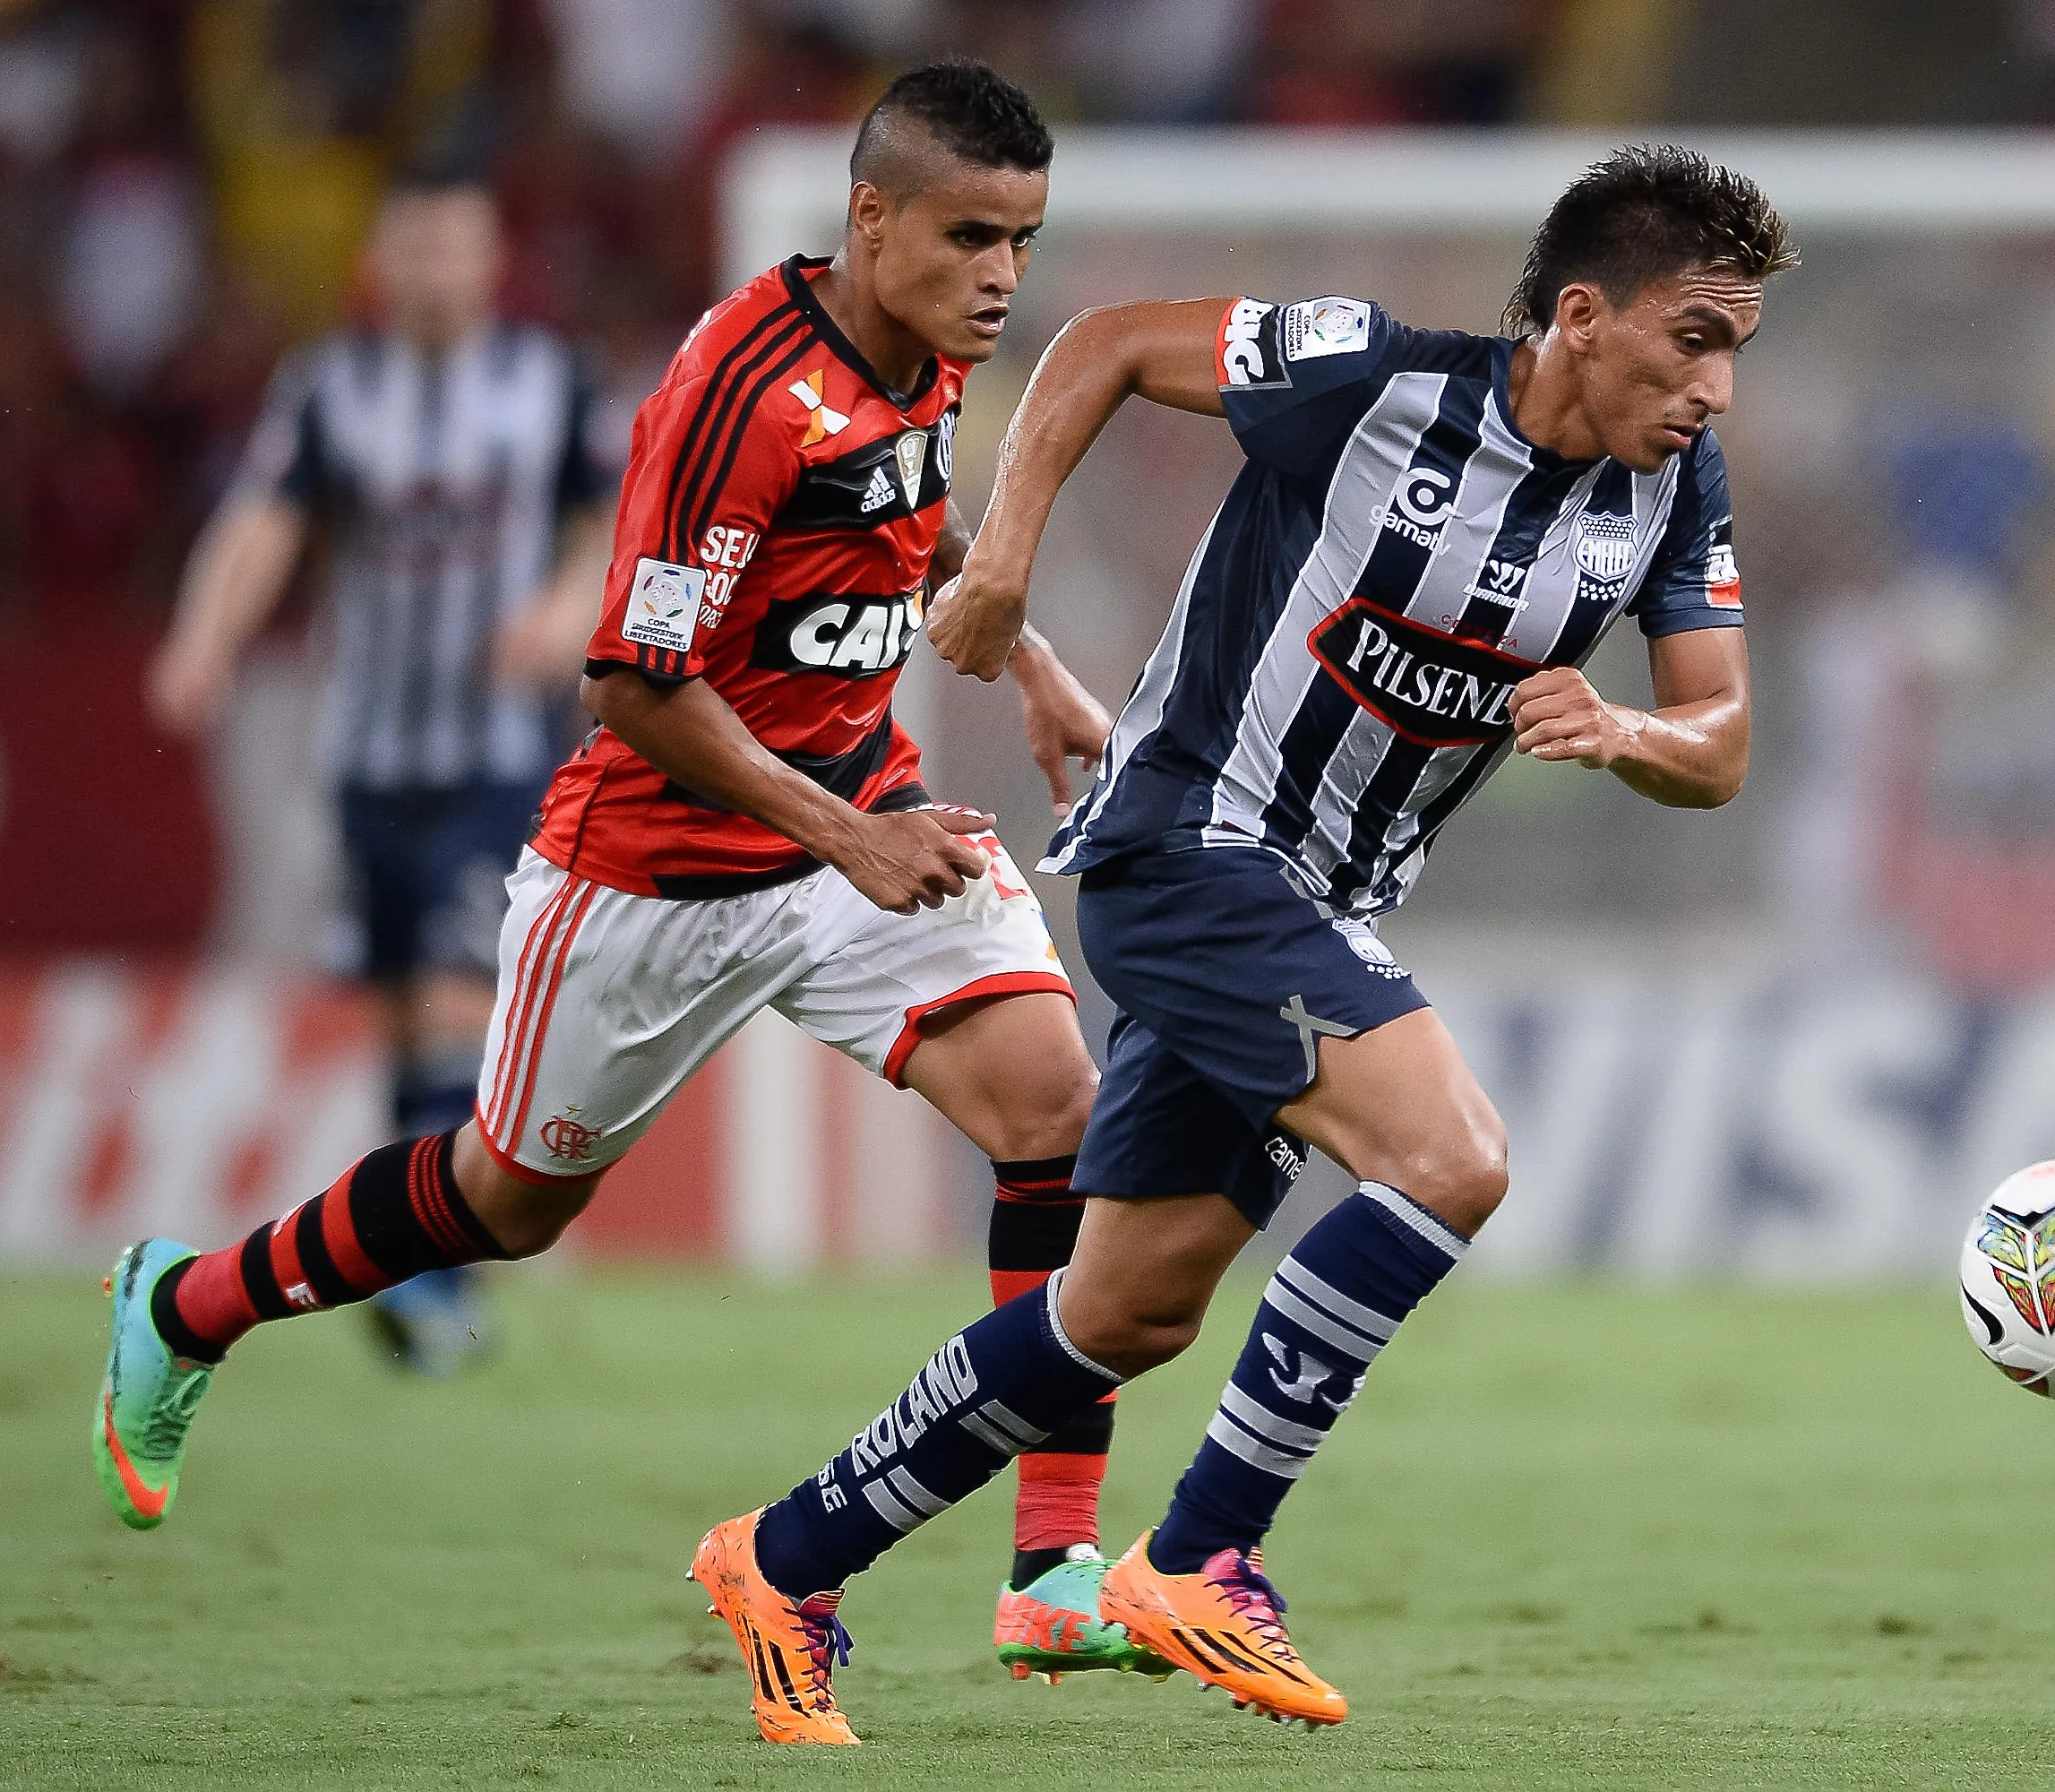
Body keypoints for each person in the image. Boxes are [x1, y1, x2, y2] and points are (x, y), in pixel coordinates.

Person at [92, 63, 1154, 1738]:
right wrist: (843, 835)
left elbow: (910, 519)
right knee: (506, 1203)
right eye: (971, 237)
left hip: (860, 813)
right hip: (649, 870)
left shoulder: (932, 347)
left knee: (1060, 1111)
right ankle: (185, 1303)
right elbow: (632, 683)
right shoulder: (738, 387)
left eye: (1024, 239)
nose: (1002, 276)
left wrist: (1032, 664)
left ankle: (1053, 1572)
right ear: (870, 217)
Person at [716, 144, 1795, 1739]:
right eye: (1695, 338)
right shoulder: (1371, 379)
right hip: (1189, 850)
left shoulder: (1665, 495)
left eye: (1738, 351)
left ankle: (784, 1558)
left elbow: (1723, 744)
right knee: (1453, 1159)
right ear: (1582, 315)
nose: (1717, 385)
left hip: (1318, 911)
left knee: (1121, 1315)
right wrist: (1001, 562)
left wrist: (1628, 728)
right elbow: (1102, 347)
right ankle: (1205, 1554)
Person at [146, 172, 615, 1374]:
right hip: (365, 755)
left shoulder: (545, 384)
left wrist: (565, 608)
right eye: (412, 247)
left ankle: (431, 1285)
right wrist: (205, 637)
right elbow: (267, 522)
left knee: (463, 996)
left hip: (498, 755)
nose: (432, 270)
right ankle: (420, 1272)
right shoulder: (330, 388)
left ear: (489, 255)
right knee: (407, 1016)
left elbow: (607, 518)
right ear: (382, 259)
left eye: (454, 246)